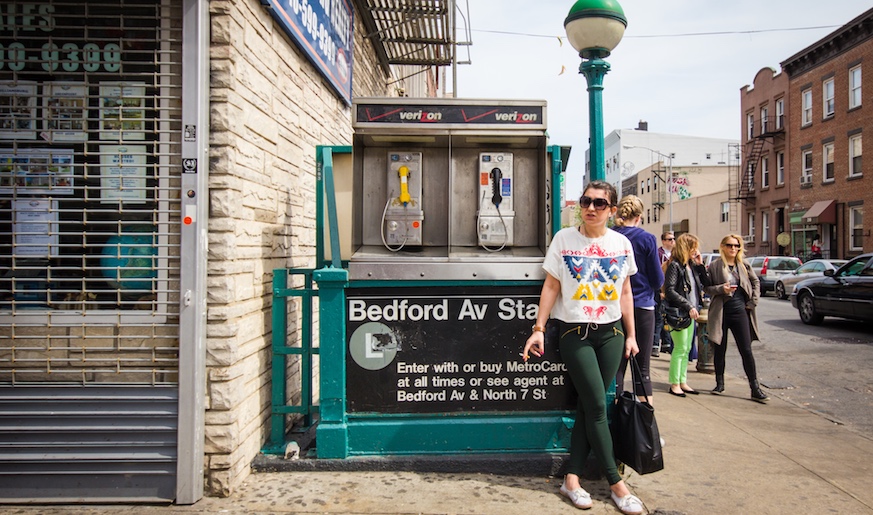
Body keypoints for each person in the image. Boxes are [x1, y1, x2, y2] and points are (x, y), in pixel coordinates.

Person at [523, 181, 644, 515]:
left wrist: (631, 335)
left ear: (612, 210)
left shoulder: (621, 243)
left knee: (588, 408)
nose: (591, 208)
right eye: (586, 202)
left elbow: (625, 293)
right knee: (596, 406)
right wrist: (539, 329)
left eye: (600, 203)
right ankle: (616, 484)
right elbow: (551, 286)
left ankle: (571, 479)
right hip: (575, 333)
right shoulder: (564, 239)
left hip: (612, 334)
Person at [703, 234, 769, 403]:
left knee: (746, 350)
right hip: (721, 312)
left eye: (736, 245)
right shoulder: (715, 266)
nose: (733, 248)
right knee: (720, 348)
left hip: (741, 312)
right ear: (723, 246)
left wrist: (753, 302)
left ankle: (755, 388)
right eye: (730, 245)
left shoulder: (744, 265)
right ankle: (719, 384)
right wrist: (721, 289)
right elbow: (707, 288)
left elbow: (756, 282)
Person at [612, 195, 663, 406]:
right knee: (642, 368)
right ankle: (645, 427)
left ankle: (613, 421)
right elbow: (658, 279)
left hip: (613, 306)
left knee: (616, 367)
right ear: (639, 217)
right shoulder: (646, 239)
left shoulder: (609, 236)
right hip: (641, 305)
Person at [663, 233, 707, 397]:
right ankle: (675, 383)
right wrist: (688, 305)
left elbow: (706, 283)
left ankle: (682, 381)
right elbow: (670, 290)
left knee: (686, 348)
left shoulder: (691, 266)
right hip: (680, 313)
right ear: (685, 248)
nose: (695, 250)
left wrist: (700, 265)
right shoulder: (675, 266)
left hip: (691, 312)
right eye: (693, 247)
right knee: (680, 349)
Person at [654, 232, 676, 356]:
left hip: (671, 291)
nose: (672, 241)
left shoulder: (675, 254)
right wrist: (661, 291)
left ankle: (666, 344)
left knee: (668, 319)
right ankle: (655, 344)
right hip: (662, 290)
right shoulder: (659, 254)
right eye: (669, 239)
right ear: (663, 241)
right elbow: (658, 273)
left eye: (673, 239)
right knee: (659, 318)